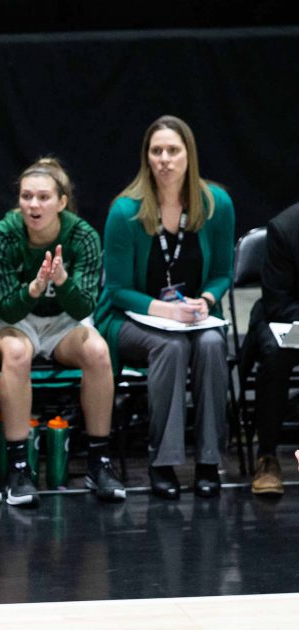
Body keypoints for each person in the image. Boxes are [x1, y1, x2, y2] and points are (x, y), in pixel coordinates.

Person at [95, 115, 234, 499]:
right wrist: (164, 310)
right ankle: (163, 463)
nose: (165, 159)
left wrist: (206, 301)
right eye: (156, 151)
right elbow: (119, 290)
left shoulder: (216, 203)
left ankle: (208, 462)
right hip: (129, 318)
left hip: (192, 315)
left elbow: (223, 273)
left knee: (210, 344)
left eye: (173, 150)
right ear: (147, 158)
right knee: (170, 347)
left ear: (189, 156)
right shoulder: (125, 210)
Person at [0, 158, 124, 505]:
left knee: (97, 351)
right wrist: (34, 289)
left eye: (44, 197)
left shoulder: (83, 236)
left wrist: (60, 281)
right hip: (16, 321)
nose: (34, 205)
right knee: (17, 354)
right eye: (27, 196)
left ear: (62, 202)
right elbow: (4, 309)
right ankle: (20, 467)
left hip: (64, 321)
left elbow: (84, 308)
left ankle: (98, 462)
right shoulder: (1, 237)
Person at [239, 202, 299, 495]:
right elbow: (278, 302)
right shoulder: (285, 227)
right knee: (276, 355)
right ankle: (267, 457)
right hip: (286, 316)